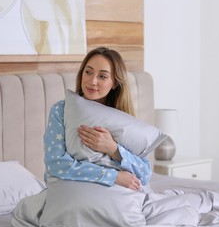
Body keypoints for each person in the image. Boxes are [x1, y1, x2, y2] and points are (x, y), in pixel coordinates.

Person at [44, 47, 151, 191]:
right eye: (88, 72)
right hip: (73, 193)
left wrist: (113, 149)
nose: (92, 81)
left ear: (115, 83)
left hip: (118, 198)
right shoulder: (61, 110)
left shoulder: (122, 119)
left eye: (102, 76)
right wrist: (113, 176)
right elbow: (55, 164)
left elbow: (145, 173)